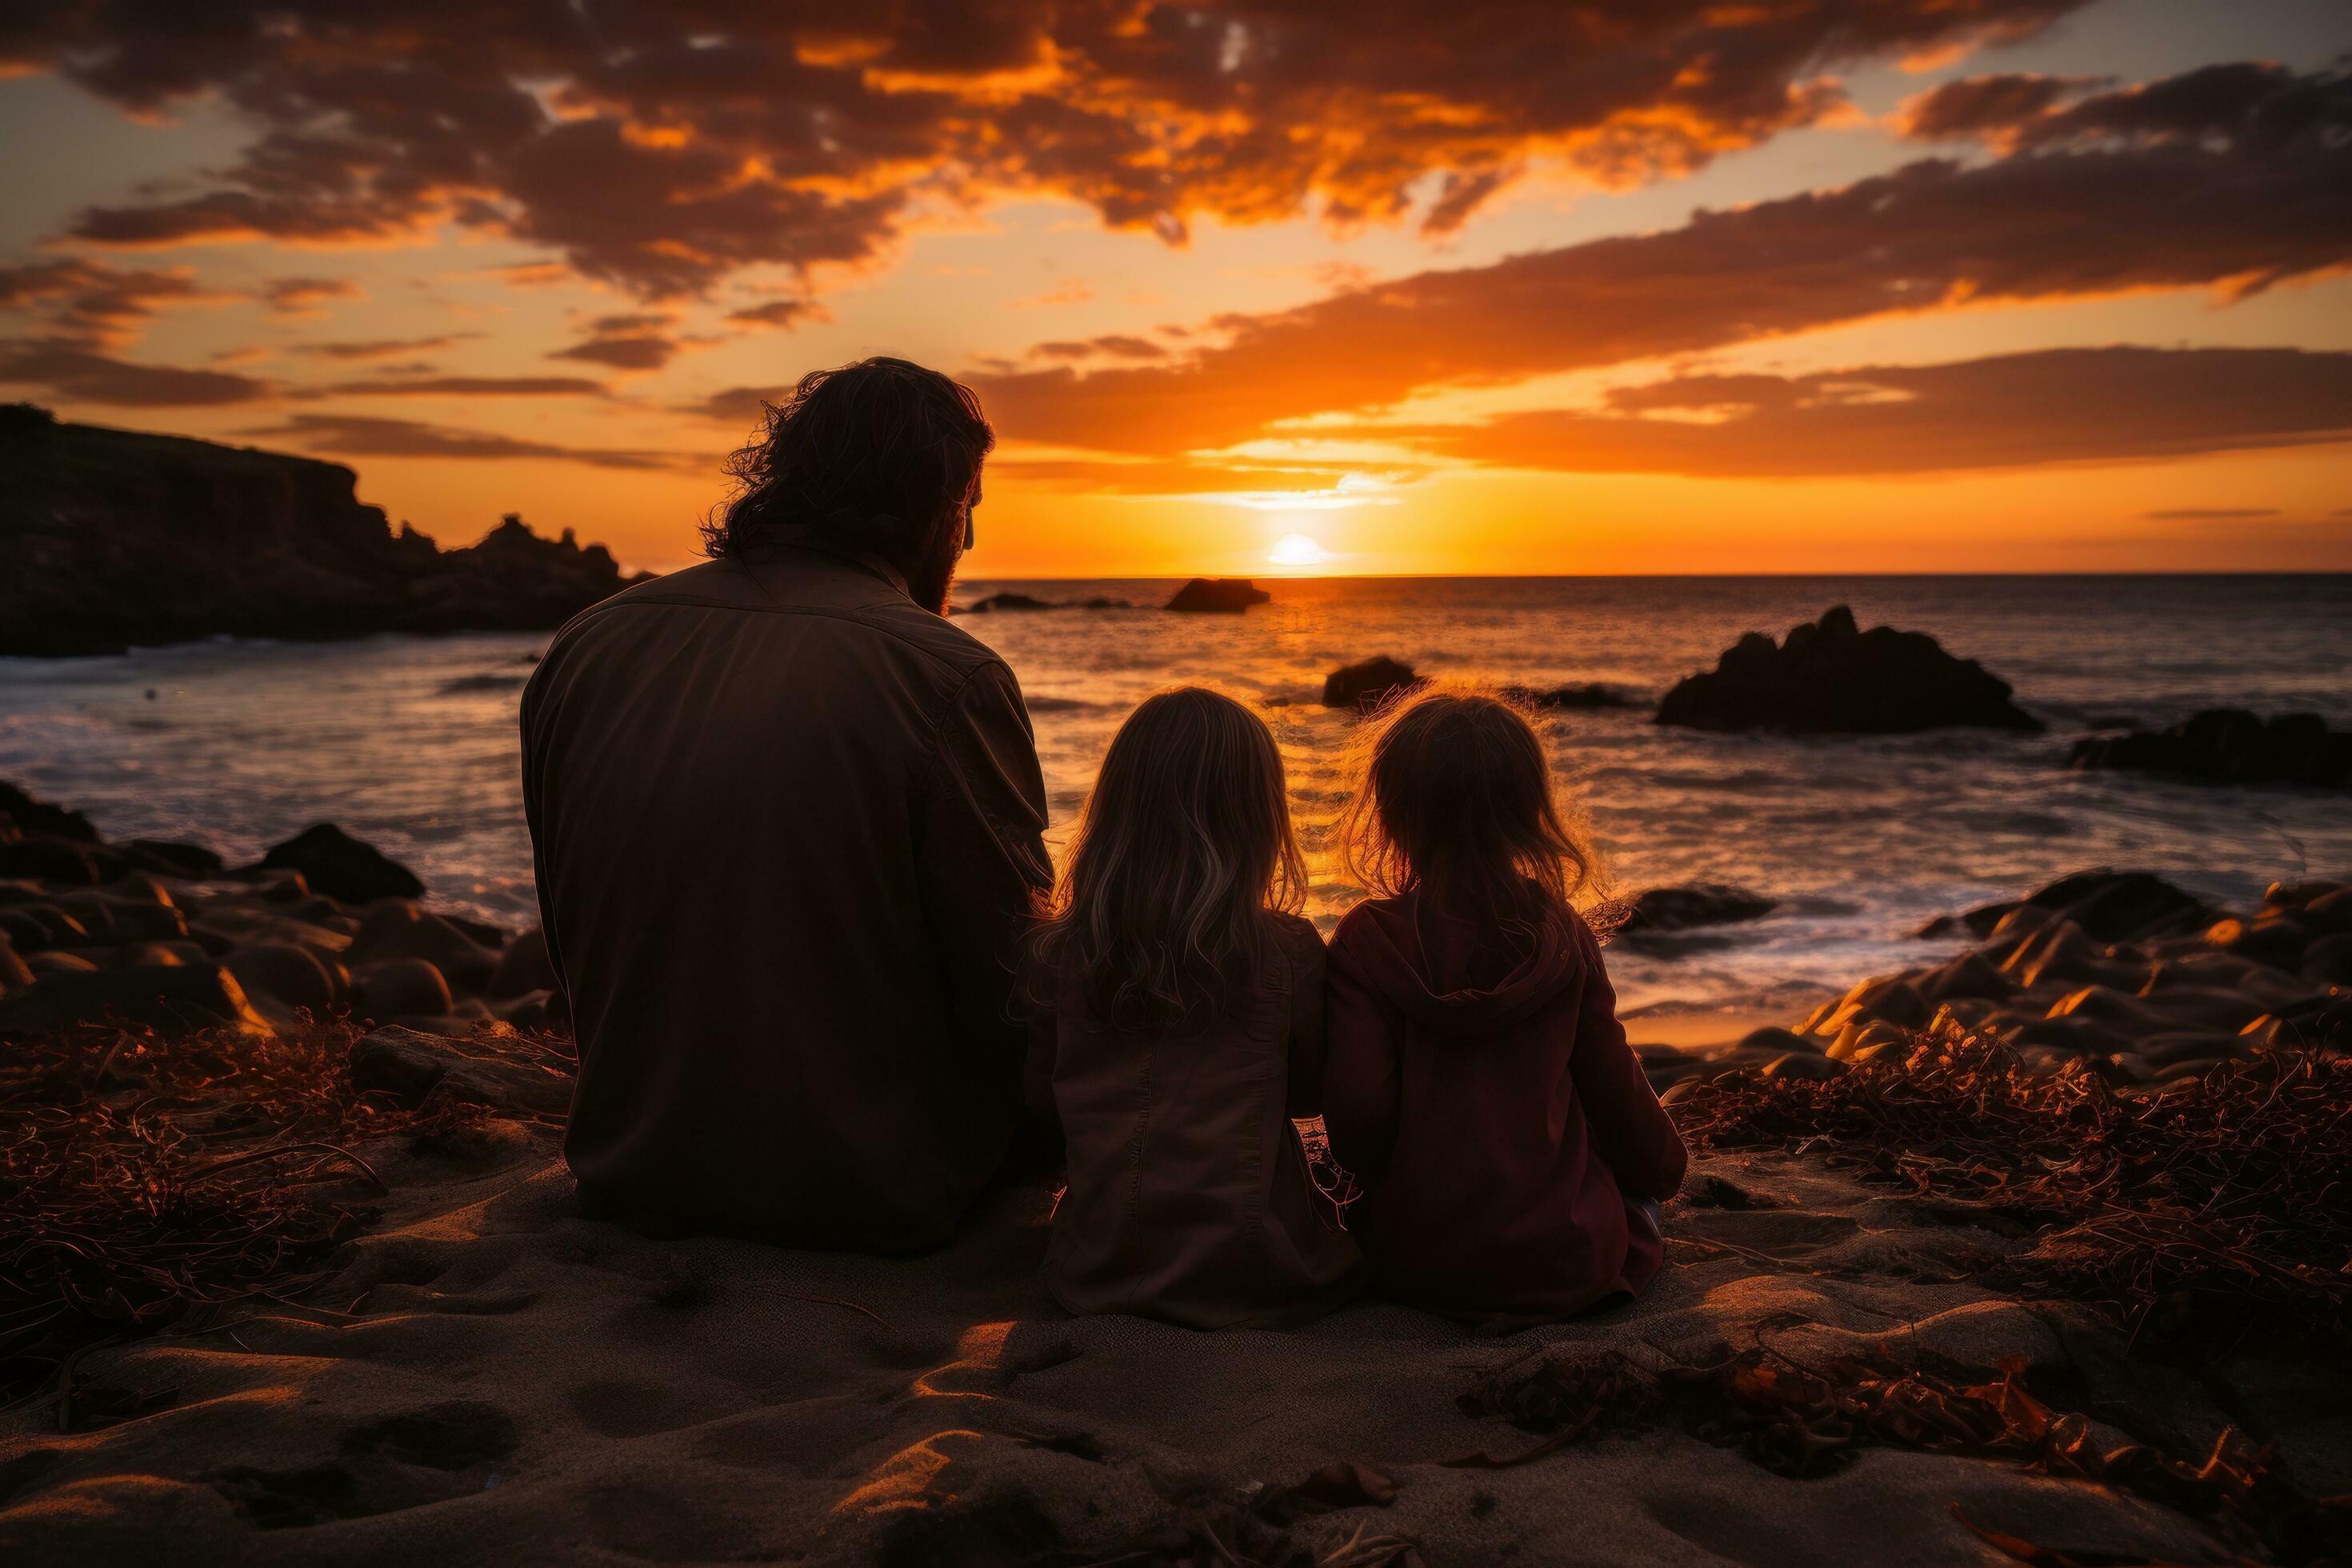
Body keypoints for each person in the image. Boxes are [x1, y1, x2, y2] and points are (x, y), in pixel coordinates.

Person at [521, 358, 1053, 1254]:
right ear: (934, 502)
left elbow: (574, 940)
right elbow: (1010, 988)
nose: (966, 545)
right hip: (870, 1190)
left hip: (633, 1163)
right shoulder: (946, 673)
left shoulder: (585, 645)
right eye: (970, 506)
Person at [1321, 687, 1686, 1322]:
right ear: (1527, 810)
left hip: (1413, 1263)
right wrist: (1662, 1171)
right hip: (1565, 1259)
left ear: (1393, 811)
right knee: (1635, 1204)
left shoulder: (1366, 941)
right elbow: (1616, 1094)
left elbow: (1359, 1126)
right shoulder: (1560, 934)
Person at [1023, 688, 1365, 1329]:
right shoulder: (1286, 951)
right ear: (1259, 819)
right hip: (1257, 1270)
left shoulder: (1062, 953)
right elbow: (1309, 1093)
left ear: (1117, 812)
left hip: (1096, 1270)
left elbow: (1044, 1098)